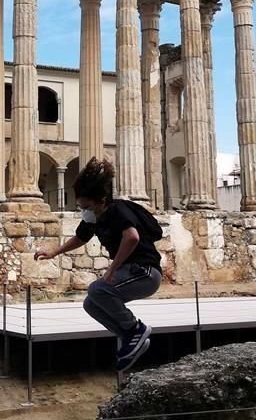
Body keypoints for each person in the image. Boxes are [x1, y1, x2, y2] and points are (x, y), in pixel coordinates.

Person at [34, 157, 163, 372]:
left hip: (145, 273)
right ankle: (130, 339)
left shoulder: (117, 210)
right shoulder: (94, 219)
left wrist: (112, 269)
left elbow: (132, 237)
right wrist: (53, 252)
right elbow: (80, 238)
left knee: (98, 289)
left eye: (86, 206)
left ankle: (135, 329)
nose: (84, 211)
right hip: (132, 272)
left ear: (101, 200)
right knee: (91, 304)